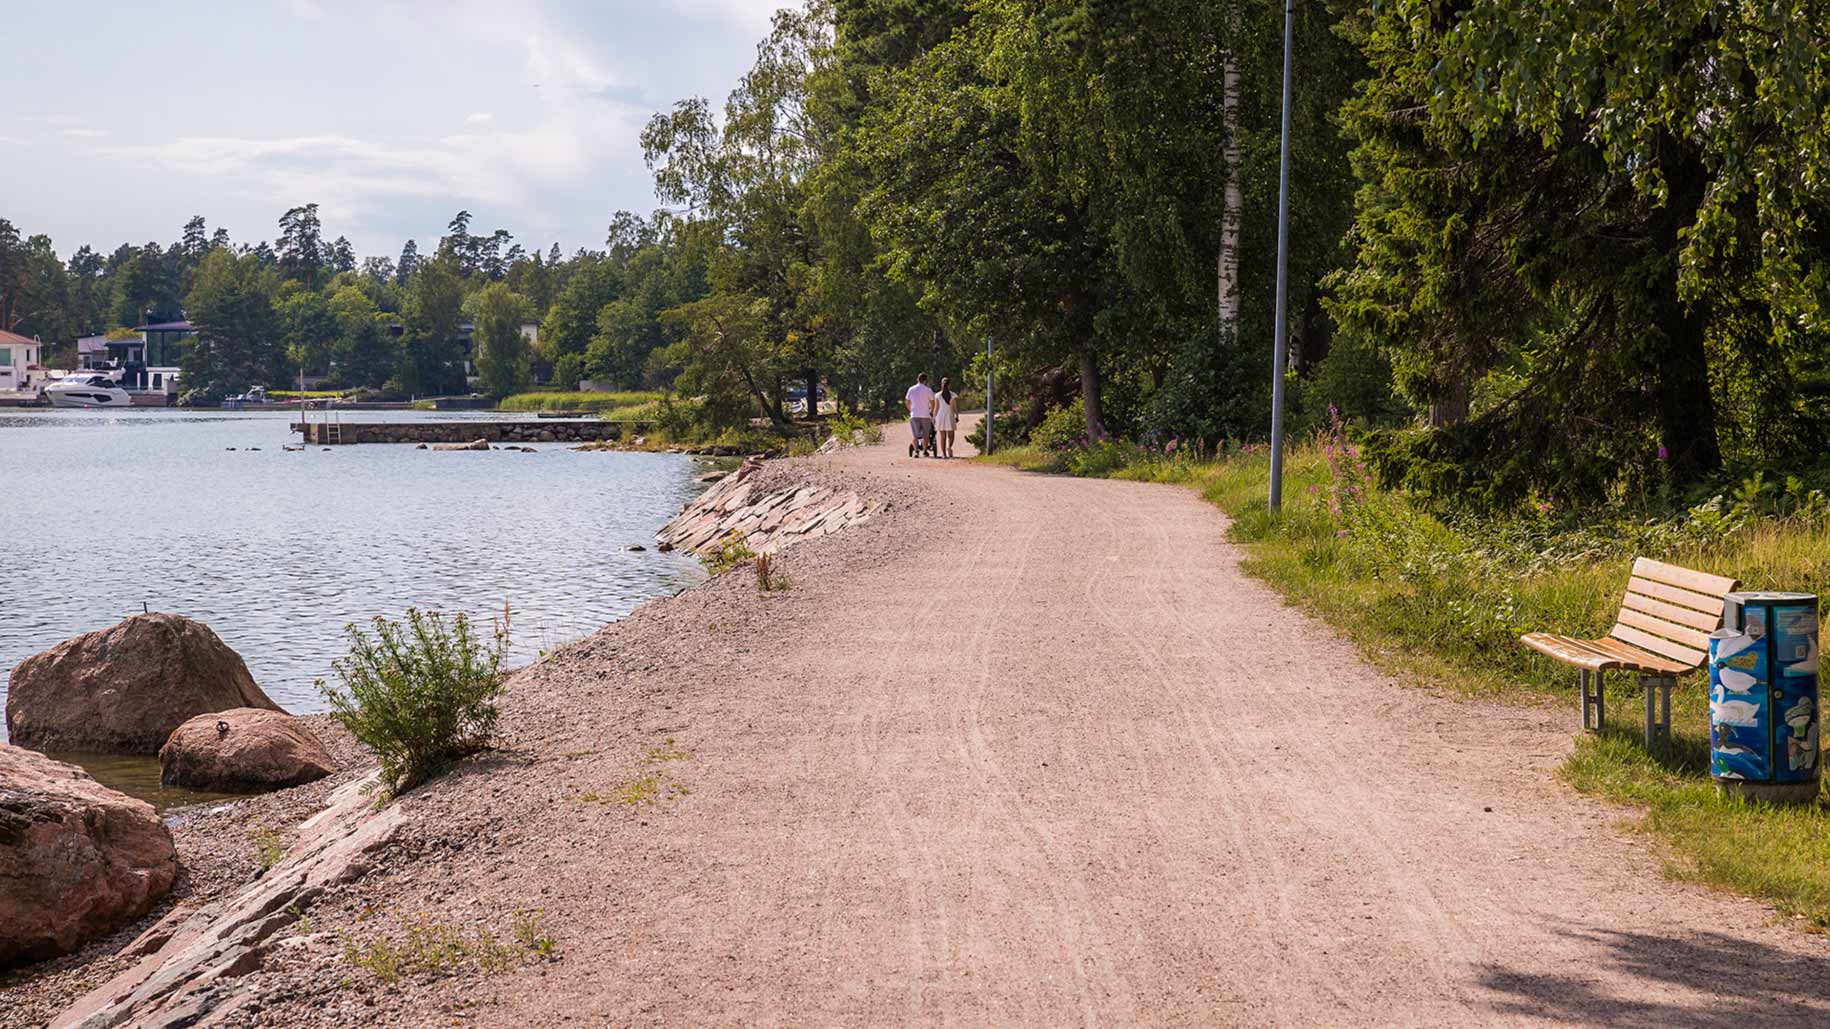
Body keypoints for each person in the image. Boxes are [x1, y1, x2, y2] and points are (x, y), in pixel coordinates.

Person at [905, 372, 935, 457]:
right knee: (926, 435)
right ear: (925, 381)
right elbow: (933, 402)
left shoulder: (911, 389)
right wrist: (931, 411)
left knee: (915, 435)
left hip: (915, 415)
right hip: (925, 415)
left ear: (917, 379)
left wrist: (911, 410)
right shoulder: (928, 390)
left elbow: (907, 402)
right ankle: (925, 451)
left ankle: (916, 451)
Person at [934, 376, 958, 458]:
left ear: (941, 384)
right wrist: (957, 415)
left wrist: (934, 417)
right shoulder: (952, 395)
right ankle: (949, 447)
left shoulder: (937, 395)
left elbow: (936, 408)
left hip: (940, 416)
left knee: (942, 437)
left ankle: (944, 454)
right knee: (951, 435)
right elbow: (954, 407)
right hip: (949, 415)